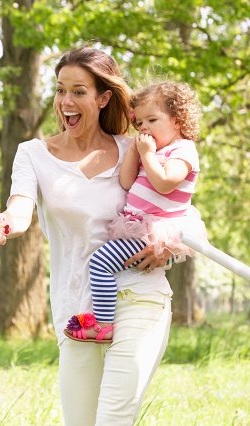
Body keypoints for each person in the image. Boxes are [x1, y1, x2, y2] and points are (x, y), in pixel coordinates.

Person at [0, 45, 174, 426]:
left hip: (139, 297)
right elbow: (19, 214)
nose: (66, 102)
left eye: (79, 92)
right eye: (60, 91)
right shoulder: (32, 154)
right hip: (79, 312)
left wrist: (167, 244)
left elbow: (180, 203)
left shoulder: (136, 147)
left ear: (104, 97)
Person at [64, 80, 205, 343]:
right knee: (103, 263)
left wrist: (148, 155)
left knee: (100, 263)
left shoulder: (183, 150)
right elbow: (126, 182)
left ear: (177, 120)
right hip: (134, 225)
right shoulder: (149, 150)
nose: (145, 128)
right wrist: (134, 152)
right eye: (140, 123)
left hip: (153, 231)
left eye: (152, 120)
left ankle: (104, 325)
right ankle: (106, 318)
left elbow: (164, 183)